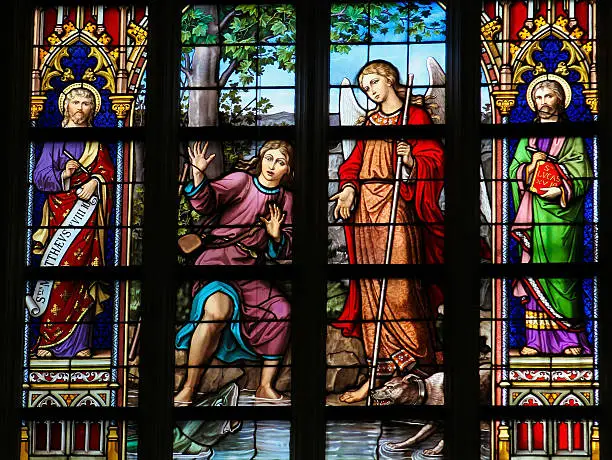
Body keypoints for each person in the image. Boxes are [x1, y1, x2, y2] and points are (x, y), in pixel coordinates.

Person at [330, 60, 445, 403]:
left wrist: (411, 159)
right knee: (371, 290)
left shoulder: (415, 118)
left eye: (375, 83)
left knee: (400, 286)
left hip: (398, 205)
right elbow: (353, 163)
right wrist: (349, 188)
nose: (371, 91)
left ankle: (415, 371)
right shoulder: (368, 122)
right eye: (366, 88)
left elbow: (436, 159)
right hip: (367, 209)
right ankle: (376, 375)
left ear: (392, 80)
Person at [174, 140, 294, 405]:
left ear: (288, 170)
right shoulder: (241, 181)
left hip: (249, 272)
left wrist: (275, 237)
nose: (272, 166)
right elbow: (207, 203)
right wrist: (198, 174)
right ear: (261, 158)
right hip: (217, 261)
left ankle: (265, 386)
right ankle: (189, 388)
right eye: (269, 158)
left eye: (281, 162)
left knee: (282, 311)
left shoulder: (287, 200)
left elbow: (285, 249)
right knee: (217, 311)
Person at [510, 76, 593, 356]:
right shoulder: (528, 135)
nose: (542, 102)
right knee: (534, 270)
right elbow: (511, 172)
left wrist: (561, 189)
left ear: (561, 100)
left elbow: (583, 174)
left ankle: (570, 339)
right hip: (533, 213)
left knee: (563, 275)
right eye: (538, 97)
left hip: (563, 218)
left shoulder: (572, 135)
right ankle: (534, 341)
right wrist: (529, 168)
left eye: (548, 96)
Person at [30, 83, 114, 358]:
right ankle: (48, 342)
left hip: (87, 217)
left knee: (83, 275)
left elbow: (109, 173)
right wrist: (65, 174)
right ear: (65, 106)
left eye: (86, 103)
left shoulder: (96, 142)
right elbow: (40, 177)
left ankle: (81, 343)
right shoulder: (55, 139)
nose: (80, 108)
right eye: (76, 102)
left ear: (93, 110)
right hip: (59, 216)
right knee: (57, 277)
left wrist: (95, 181)